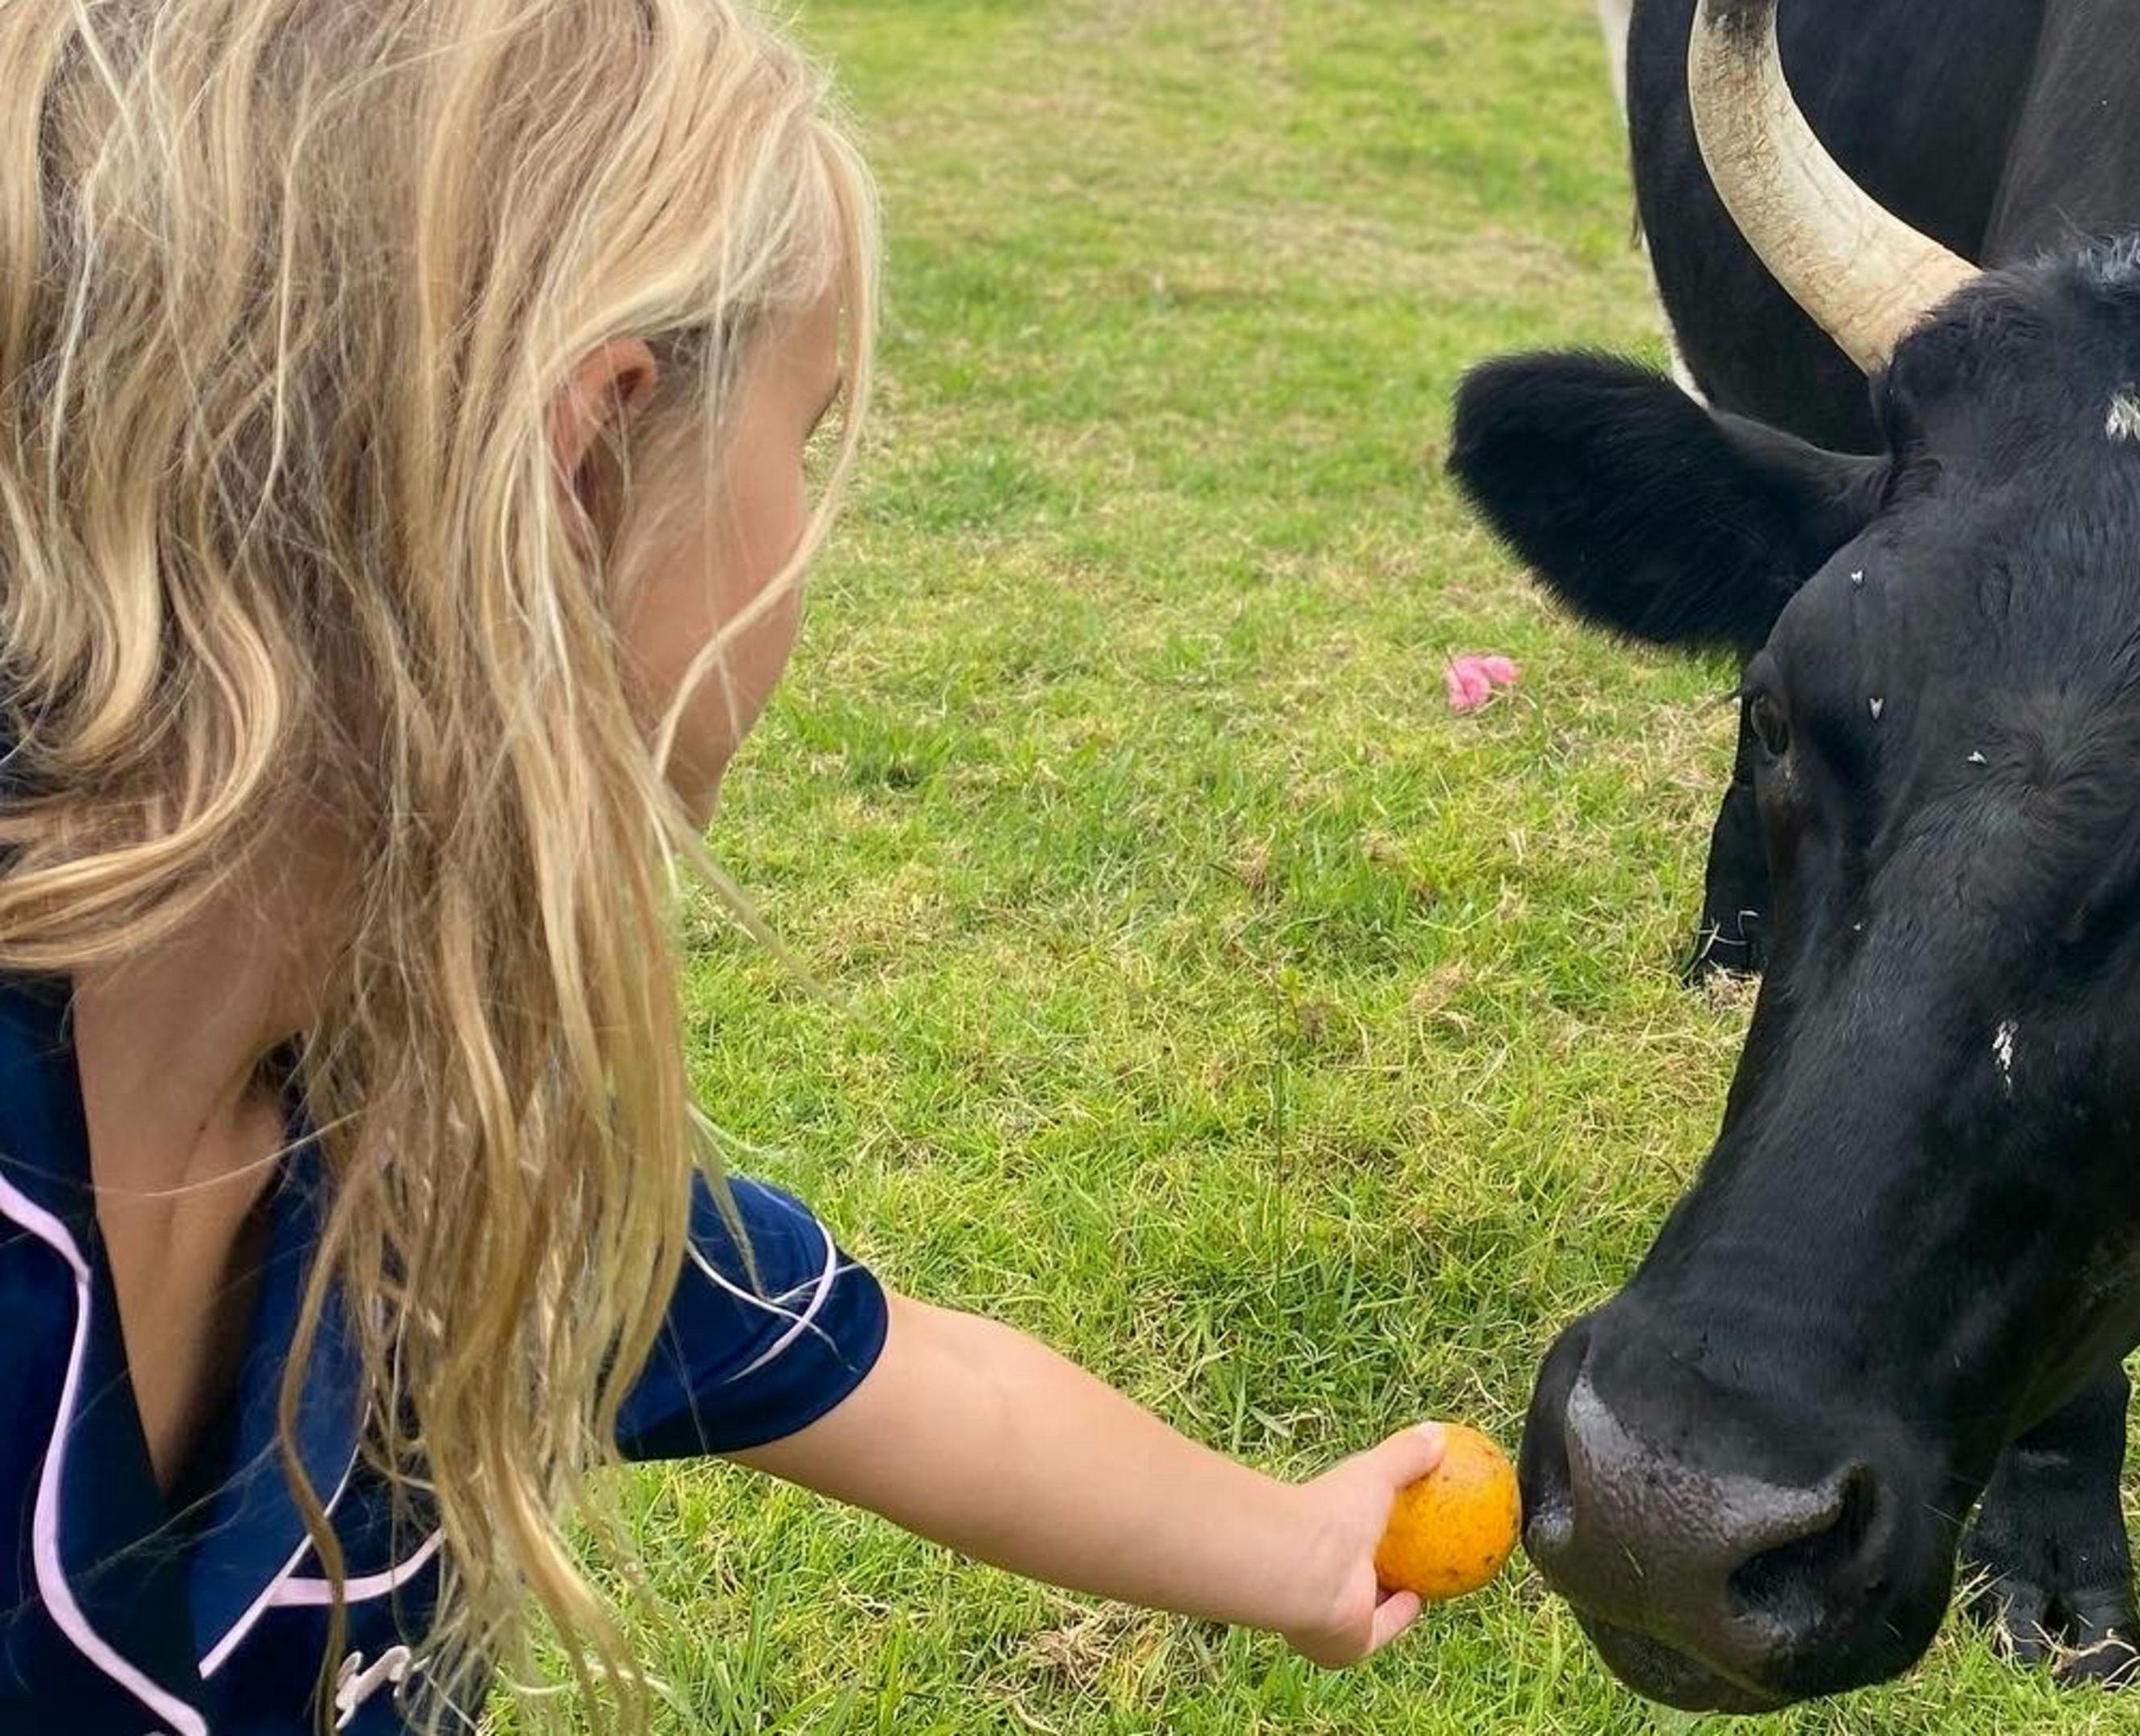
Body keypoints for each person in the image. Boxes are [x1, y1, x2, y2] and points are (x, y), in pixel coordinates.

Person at [0, 1, 1451, 1730]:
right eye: (807, 435)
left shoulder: (431, 1108)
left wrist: (1295, 1548)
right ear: (588, 454)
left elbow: (894, 1374)